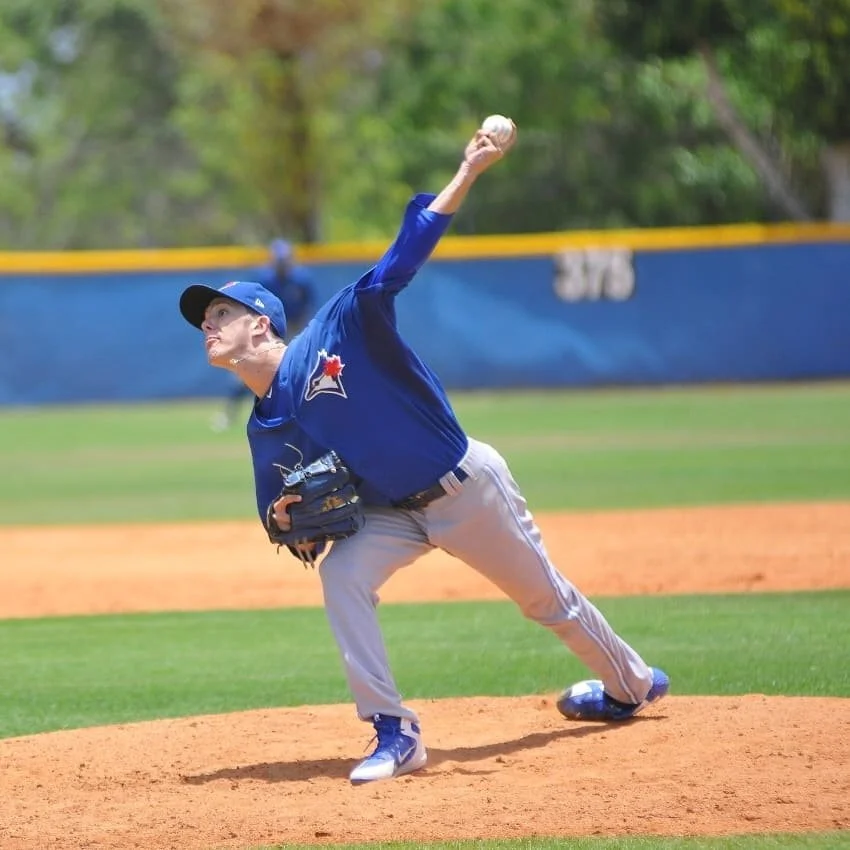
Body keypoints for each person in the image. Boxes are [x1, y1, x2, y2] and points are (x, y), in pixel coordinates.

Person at [179, 120, 669, 785]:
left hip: (466, 488)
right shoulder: (265, 422)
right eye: (204, 321)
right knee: (342, 576)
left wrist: (467, 172)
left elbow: (403, 257)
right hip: (391, 512)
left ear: (260, 324)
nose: (207, 327)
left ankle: (631, 685)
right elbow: (279, 512)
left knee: (545, 602)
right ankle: (394, 731)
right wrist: (290, 523)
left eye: (219, 315)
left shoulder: (337, 327)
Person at [210, 237, 316, 431]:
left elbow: (307, 306)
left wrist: (301, 335)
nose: (282, 264)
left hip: (294, 328)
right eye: (279, 260)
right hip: (267, 330)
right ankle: (228, 414)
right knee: (244, 370)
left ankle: (304, 414)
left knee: (301, 372)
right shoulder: (265, 279)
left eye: (284, 259)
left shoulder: (301, 279)